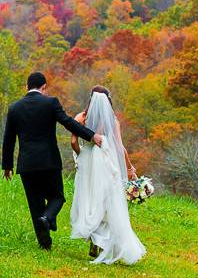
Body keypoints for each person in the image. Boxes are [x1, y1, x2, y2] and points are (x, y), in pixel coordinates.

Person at [1, 72, 104, 250]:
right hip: (49, 161)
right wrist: (91, 135)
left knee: (35, 204)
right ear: (44, 87)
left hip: (27, 164)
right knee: (57, 197)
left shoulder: (14, 108)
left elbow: (8, 138)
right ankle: (47, 218)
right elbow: (68, 122)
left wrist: (7, 166)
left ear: (27, 87)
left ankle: (44, 243)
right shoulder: (50, 103)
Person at [69, 86, 146, 265]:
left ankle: (93, 238)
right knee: (106, 200)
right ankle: (102, 243)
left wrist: (81, 154)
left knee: (88, 198)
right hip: (105, 160)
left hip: (88, 160)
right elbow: (120, 147)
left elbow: (73, 141)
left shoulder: (81, 117)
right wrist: (129, 168)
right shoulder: (112, 120)